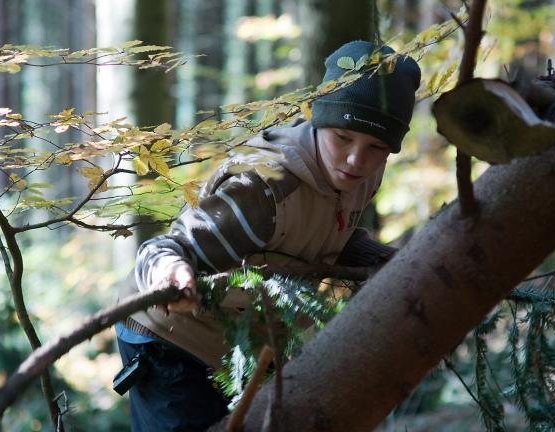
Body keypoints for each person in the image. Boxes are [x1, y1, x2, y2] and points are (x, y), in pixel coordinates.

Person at [115, 40, 421, 432]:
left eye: (376, 147)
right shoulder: (263, 191)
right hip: (170, 340)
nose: (355, 160)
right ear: (318, 120)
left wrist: (383, 259)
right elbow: (162, 248)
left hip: (246, 340)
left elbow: (328, 233)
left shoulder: (364, 178)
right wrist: (171, 273)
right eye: (342, 138)